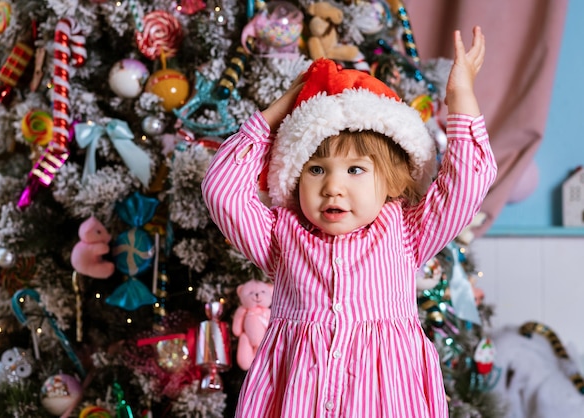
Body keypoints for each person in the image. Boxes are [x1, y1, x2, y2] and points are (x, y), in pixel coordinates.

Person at [202, 26, 495, 417]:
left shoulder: (407, 232)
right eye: (317, 170)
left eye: (355, 170)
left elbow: (469, 179)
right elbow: (221, 188)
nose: (333, 188)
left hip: (385, 401)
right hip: (296, 401)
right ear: (294, 177)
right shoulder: (279, 235)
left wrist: (461, 97)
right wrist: (282, 109)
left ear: (389, 180)